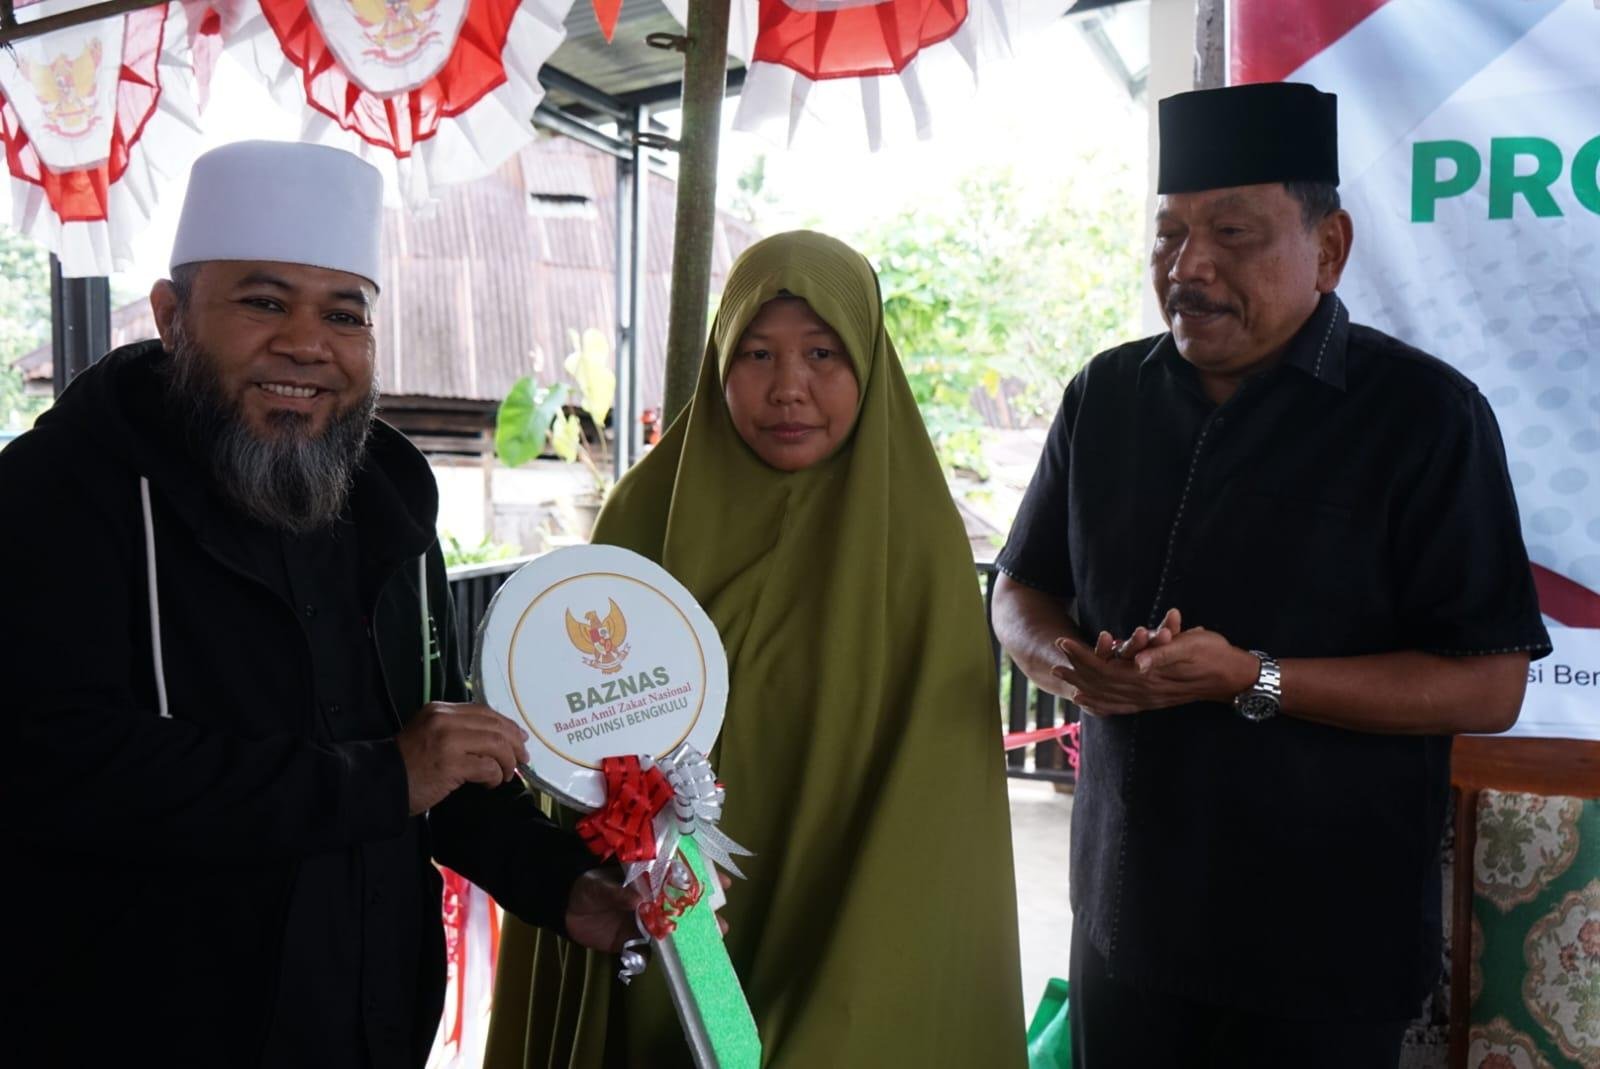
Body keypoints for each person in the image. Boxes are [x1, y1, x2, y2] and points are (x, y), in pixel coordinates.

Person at [0, 141, 642, 1066]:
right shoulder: (62, 493)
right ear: (171, 315)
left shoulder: (385, 499)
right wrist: (385, 776)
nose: (306, 343)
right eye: (264, 302)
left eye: (344, 314)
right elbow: (59, 764)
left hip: (372, 1029)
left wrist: (562, 882)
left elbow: (434, 756)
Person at [991, 82, 1552, 1069]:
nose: (1188, 265)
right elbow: (1018, 587)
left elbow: (1488, 679)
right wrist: (1067, 662)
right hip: (1124, 922)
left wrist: (1253, 675)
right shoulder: (1104, 397)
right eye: (1168, 234)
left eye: (1233, 234)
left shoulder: (1422, 416)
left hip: (1320, 948)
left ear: (1326, 247)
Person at [486, 230, 1028, 1068]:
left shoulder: (914, 545)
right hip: (659, 914)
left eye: (823, 353)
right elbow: (576, 734)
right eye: (757, 354)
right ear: (718, 363)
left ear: (869, 364)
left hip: (852, 897)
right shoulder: (644, 516)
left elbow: (937, 794)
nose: (788, 389)